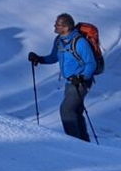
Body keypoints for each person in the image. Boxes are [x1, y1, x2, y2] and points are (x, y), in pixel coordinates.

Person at [28, 13, 98, 141]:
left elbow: (91, 63)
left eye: (58, 24)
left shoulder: (80, 42)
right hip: (70, 82)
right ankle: (85, 144)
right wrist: (39, 59)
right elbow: (54, 57)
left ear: (66, 27)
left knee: (66, 110)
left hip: (80, 82)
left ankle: (74, 142)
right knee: (75, 112)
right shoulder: (59, 40)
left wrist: (82, 77)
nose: (55, 26)